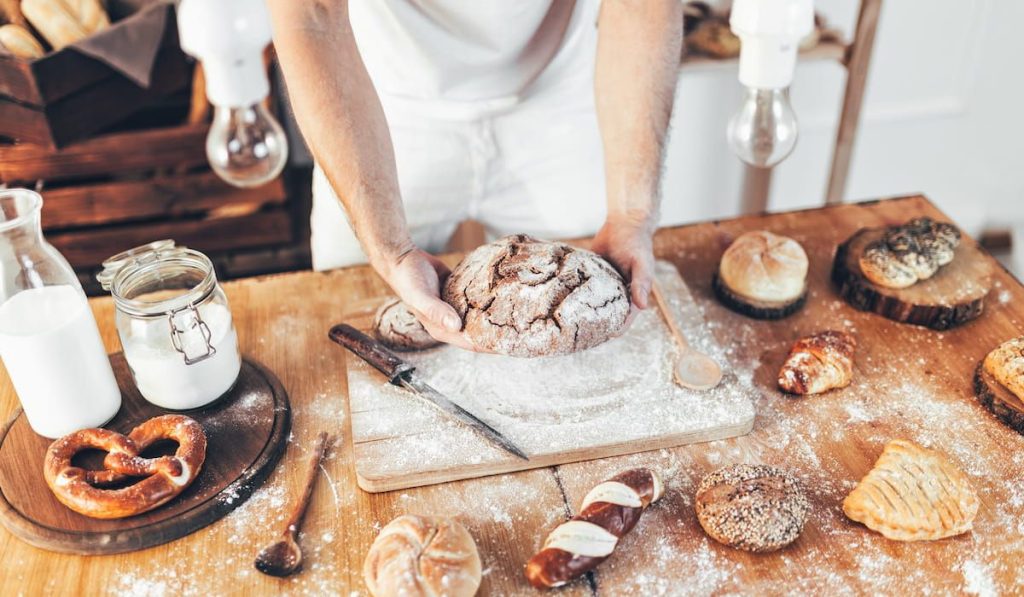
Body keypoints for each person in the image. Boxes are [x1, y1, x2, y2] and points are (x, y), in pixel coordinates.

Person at [267, 0, 683, 350]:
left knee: (593, 326)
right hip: (382, 101)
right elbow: (313, 16)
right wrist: (389, 248)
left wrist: (631, 214)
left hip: (559, 94)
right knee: (349, 318)